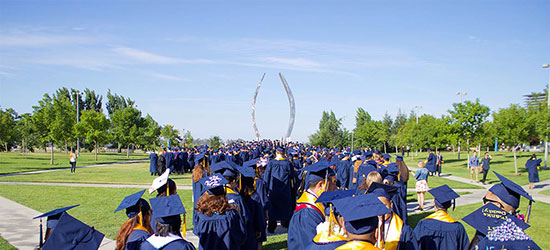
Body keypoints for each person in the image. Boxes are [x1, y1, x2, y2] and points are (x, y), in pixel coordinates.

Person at [288, 161, 337, 250]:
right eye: (334, 182)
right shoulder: (306, 212)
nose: (336, 187)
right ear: (321, 184)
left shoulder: (317, 204)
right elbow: (310, 245)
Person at [195, 174, 246, 250]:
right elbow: (240, 236)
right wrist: (238, 214)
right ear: (223, 194)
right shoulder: (230, 214)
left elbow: (197, 232)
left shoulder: (201, 214)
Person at [413, 185, 469, 250]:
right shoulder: (458, 228)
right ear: (450, 206)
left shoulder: (423, 224)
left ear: (434, 203)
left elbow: (414, 245)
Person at [367, 183, 418, 250]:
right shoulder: (367, 227)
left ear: (391, 204)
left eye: (384, 205)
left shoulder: (404, 230)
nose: (381, 211)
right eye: (377, 206)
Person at [462, 203, 531, 249]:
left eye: (486, 200)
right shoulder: (521, 242)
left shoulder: (482, 239)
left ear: (498, 206)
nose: (483, 204)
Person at [263, 147, 296, 233]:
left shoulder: (271, 163)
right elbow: (292, 176)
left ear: (276, 152)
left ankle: (271, 227)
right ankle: (286, 223)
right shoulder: (288, 163)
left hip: (273, 189)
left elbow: (267, 177)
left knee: (273, 208)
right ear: (284, 153)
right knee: (285, 207)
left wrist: (266, 189)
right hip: (285, 189)